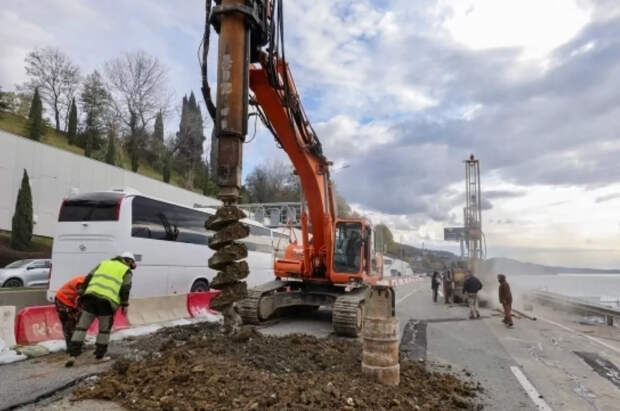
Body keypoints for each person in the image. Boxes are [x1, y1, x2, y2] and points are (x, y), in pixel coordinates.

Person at [65, 252, 135, 367]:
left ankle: (73, 355)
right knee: (104, 330)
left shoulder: (104, 263)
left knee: (81, 327)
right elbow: (125, 288)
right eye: (132, 262)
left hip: (89, 298)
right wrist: (125, 304)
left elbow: (89, 277)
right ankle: (99, 356)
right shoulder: (126, 270)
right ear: (129, 261)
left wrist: (82, 292)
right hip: (106, 303)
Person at [54, 275, 86, 351]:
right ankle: (72, 347)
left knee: (75, 323)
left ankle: (77, 344)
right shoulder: (81, 283)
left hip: (70, 302)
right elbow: (82, 298)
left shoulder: (85, 282)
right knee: (69, 324)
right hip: (62, 300)